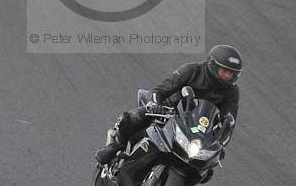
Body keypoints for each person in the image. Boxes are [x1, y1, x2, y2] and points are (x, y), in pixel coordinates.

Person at [95, 45, 243, 167]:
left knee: (209, 167)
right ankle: (114, 147)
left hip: (196, 128)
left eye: (231, 73)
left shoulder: (232, 92)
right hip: (167, 112)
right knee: (134, 118)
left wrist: (221, 145)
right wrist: (154, 105)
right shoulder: (192, 70)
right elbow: (159, 90)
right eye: (224, 71)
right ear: (212, 65)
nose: (227, 76)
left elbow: (229, 122)